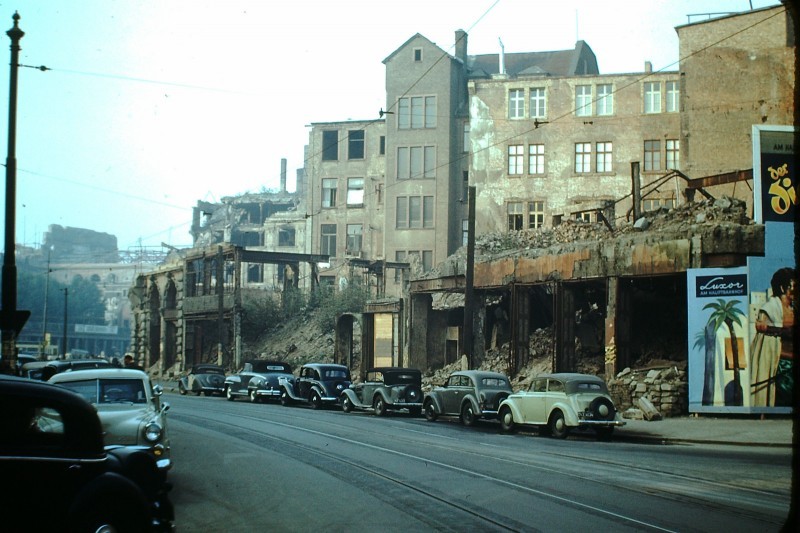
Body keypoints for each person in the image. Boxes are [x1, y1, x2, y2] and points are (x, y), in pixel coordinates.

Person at [750, 267, 795, 407]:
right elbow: (761, 327)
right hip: (779, 363)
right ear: (783, 288)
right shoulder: (770, 308)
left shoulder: (794, 309)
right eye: (794, 287)